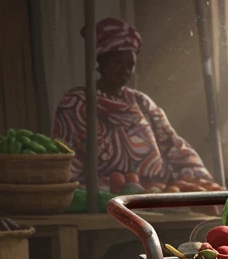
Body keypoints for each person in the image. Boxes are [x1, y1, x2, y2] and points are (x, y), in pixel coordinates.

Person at [53, 17, 212, 187]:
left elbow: (173, 144)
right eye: (118, 62)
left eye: (131, 64)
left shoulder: (141, 101)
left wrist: (200, 178)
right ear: (101, 61)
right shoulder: (77, 102)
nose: (125, 70)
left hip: (159, 191)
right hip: (107, 194)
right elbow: (68, 160)